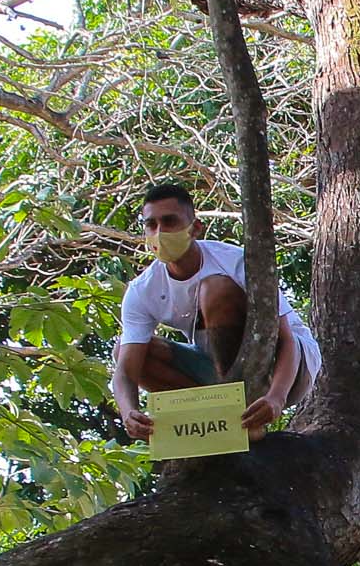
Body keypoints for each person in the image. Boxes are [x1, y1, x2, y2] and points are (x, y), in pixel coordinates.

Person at [113, 181, 321, 440]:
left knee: (215, 288)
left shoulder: (234, 261)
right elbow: (125, 372)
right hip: (215, 366)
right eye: (151, 225)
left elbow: (287, 339)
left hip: (288, 366)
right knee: (125, 349)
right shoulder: (143, 290)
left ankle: (238, 407)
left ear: (195, 228)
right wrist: (128, 412)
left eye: (169, 222)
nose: (160, 233)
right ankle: (223, 416)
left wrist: (276, 398)